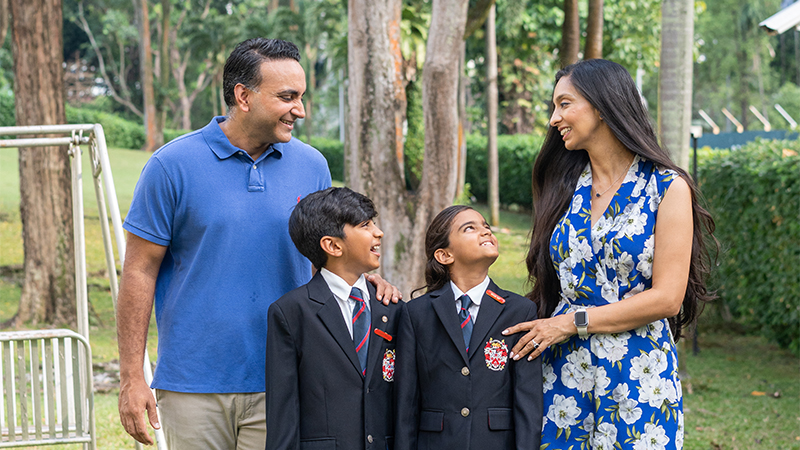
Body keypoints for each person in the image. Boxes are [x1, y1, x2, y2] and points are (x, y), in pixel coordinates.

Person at [116, 38, 400, 449]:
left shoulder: (312, 165)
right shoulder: (170, 166)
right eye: (287, 97)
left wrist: (363, 282)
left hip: (288, 377)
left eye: (301, 97)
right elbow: (139, 269)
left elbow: (329, 254)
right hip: (194, 384)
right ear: (243, 96)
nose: (299, 110)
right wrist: (131, 377)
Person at [502, 59, 717, 450]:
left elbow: (668, 297)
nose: (554, 118)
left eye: (564, 104)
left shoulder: (667, 188)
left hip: (640, 376)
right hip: (564, 375)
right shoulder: (563, 186)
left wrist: (571, 323)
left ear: (601, 106)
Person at [394, 205, 543, 450]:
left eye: (486, 226)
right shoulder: (416, 313)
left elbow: (528, 402)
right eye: (470, 228)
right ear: (444, 255)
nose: (485, 232)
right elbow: (405, 403)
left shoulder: (520, 311)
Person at [265, 187, 402, 450]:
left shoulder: (392, 307)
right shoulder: (291, 312)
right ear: (333, 245)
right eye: (365, 225)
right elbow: (283, 409)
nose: (378, 232)